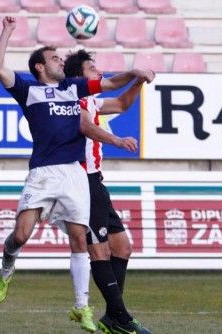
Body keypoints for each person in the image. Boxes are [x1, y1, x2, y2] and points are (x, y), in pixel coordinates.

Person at [0, 16, 154, 333]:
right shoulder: (29, 90)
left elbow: (113, 89)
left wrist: (134, 74)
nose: (60, 61)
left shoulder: (73, 88)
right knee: (22, 235)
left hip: (76, 174)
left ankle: (86, 308)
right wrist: (8, 32)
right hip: (43, 174)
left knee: (90, 241)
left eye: (62, 58)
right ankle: (8, 262)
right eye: (55, 58)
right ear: (39, 66)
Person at [64, 50, 153, 334]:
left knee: (123, 247)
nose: (98, 72)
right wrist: (116, 139)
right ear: (80, 75)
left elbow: (122, 103)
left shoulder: (90, 99)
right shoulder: (72, 98)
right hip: (81, 181)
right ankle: (121, 319)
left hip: (95, 182)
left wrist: (138, 81)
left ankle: (114, 315)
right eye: (93, 68)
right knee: (99, 249)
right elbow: (85, 126)